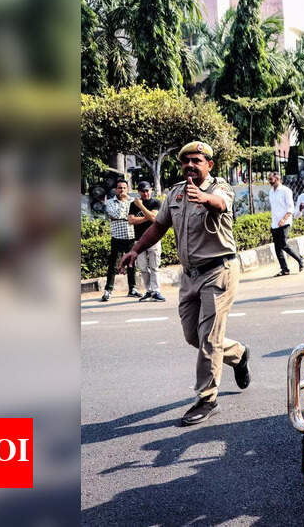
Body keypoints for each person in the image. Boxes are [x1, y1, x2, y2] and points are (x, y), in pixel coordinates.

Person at [119, 141, 250, 426]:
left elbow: (222, 203)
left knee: (210, 338)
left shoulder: (220, 188)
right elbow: (158, 226)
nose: (190, 165)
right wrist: (135, 249)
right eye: (186, 161)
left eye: (197, 160)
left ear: (209, 165)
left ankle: (207, 398)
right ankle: (238, 354)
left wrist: (204, 198)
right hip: (189, 275)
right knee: (193, 335)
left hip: (219, 271)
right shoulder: (176, 193)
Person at [100, 178, 141, 302]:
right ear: (115, 189)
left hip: (130, 236)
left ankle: (132, 289)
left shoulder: (134, 201)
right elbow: (115, 215)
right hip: (117, 237)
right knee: (112, 265)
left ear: (127, 189)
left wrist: (131, 217)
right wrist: (129, 216)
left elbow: (138, 216)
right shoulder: (110, 202)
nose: (122, 190)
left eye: (124, 188)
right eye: (119, 188)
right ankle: (108, 290)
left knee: (131, 265)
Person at [128, 181, 165, 302]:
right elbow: (131, 220)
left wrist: (141, 207)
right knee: (143, 267)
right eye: (143, 191)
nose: (146, 193)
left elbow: (154, 218)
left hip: (154, 239)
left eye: (147, 190)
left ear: (151, 190)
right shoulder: (133, 204)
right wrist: (147, 217)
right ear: (138, 192)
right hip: (139, 240)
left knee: (154, 266)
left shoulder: (156, 202)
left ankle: (156, 291)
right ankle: (149, 291)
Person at [268, 172, 304, 277]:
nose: (269, 181)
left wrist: (284, 219)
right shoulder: (271, 191)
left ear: (277, 178)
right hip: (275, 223)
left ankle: (300, 259)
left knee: (283, 243)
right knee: (277, 247)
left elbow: (291, 208)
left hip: (285, 222)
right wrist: (273, 222)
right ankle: (284, 269)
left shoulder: (286, 191)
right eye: (269, 179)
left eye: (271, 179)